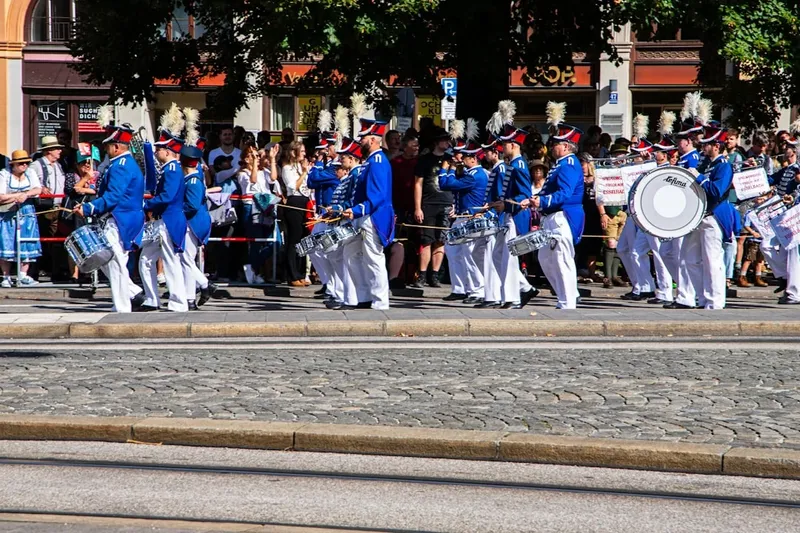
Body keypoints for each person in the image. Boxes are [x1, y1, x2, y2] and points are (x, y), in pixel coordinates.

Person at [74, 124, 145, 313]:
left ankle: (122, 307)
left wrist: (88, 208)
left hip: (120, 218)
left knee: (114, 261)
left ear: (116, 147)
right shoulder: (123, 164)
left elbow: (114, 196)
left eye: (108, 146)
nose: (106, 149)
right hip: (123, 217)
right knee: (107, 259)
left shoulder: (120, 166)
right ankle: (132, 292)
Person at [667, 123, 735, 310]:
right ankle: (703, 298)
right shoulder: (707, 164)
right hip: (698, 216)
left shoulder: (723, 166)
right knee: (690, 259)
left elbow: (716, 190)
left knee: (712, 261)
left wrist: (698, 177)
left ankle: (715, 302)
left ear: (716, 146)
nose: (703, 147)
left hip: (713, 216)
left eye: (707, 144)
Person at [522, 121, 583, 310]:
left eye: (556, 143)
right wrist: (535, 199)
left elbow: (565, 192)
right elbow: (551, 190)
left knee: (561, 259)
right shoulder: (561, 164)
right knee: (545, 259)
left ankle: (568, 302)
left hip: (562, 216)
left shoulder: (569, 164)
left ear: (565, 146)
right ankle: (565, 296)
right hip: (551, 216)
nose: (552, 146)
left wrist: (543, 202)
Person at [342, 119, 394, 310]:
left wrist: (356, 211)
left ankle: (380, 301)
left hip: (372, 216)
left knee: (373, 257)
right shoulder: (370, 161)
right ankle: (363, 296)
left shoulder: (378, 161)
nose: (360, 142)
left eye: (363, 138)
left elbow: (378, 195)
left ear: (372, 139)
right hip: (361, 216)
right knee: (351, 254)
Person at [138, 121, 188, 312]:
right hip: (163, 221)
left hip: (169, 220)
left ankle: (178, 302)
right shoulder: (169, 169)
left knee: (170, 260)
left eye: (159, 149)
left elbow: (167, 196)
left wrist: (145, 204)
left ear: (167, 151)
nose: (156, 152)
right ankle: (152, 299)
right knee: (146, 259)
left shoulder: (173, 169)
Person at [490, 125, 537, 309]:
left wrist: (506, 204)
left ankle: (513, 297)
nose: (502, 148)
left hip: (516, 215)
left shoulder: (519, 165)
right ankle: (524, 288)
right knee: (498, 255)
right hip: (508, 214)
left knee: (508, 257)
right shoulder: (513, 164)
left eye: (505, 144)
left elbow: (525, 195)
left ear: (514, 144)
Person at [438, 142, 488, 303]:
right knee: (453, 252)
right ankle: (460, 288)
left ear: (473, 159)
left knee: (469, 255)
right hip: (461, 218)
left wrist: (449, 168)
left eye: (465, 156)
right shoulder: (469, 173)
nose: (460, 159)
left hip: (470, 218)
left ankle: (477, 291)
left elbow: (445, 184)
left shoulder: (474, 175)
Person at [413, 128, 452, 288]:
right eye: (444, 140)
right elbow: (418, 184)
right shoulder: (424, 160)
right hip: (428, 204)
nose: (447, 143)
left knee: (440, 241)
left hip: (446, 203)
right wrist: (418, 207)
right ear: (436, 142)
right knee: (426, 240)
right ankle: (422, 274)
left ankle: (435, 275)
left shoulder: (451, 160)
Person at [30, 135, 69, 282]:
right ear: (49, 151)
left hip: (58, 207)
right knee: (42, 239)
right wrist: (40, 188)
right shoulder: (36, 165)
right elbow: (29, 183)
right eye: (57, 149)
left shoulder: (59, 165)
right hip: (44, 208)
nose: (60, 151)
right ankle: (35, 272)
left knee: (55, 241)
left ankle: (55, 271)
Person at [0, 150, 42, 287]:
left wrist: (26, 194)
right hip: (8, 212)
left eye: (26, 163)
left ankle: (23, 274)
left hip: (27, 211)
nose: (24, 165)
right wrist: (17, 196)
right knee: (6, 241)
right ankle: (6, 276)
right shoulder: (4, 174)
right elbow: (1, 196)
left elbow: (38, 189)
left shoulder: (30, 173)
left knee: (27, 240)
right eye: (21, 163)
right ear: (13, 164)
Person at [179, 144, 213, 309]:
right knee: (188, 260)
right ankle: (190, 299)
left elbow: (191, 206)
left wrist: (178, 212)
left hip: (193, 222)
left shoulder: (192, 181)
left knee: (186, 259)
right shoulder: (193, 178)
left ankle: (206, 284)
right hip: (195, 222)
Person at [306, 133, 340, 293]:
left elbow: (313, 177)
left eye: (329, 146)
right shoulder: (328, 167)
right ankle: (328, 283)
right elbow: (311, 181)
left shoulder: (335, 169)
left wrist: (318, 161)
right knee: (311, 247)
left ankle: (334, 286)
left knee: (328, 250)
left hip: (332, 215)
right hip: (322, 215)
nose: (325, 150)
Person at [64, 143, 102, 282]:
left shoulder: (99, 175)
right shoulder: (71, 175)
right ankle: (74, 274)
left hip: (93, 211)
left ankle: (91, 273)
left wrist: (84, 189)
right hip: (75, 213)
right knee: (76, 242)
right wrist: (85, 178)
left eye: (89, 162)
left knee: (93, 242)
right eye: (83, 163)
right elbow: (71, 189)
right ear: (76, 164)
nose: (86, 165)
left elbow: (100, 191)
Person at [281, 141, 312, 287]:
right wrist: (304, 173)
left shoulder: (301, 167)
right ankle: (292, 275)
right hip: (294, 203)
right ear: (294, 152)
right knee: (293, 240)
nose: (305, 154)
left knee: (303, 240)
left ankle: (301, 273)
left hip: (305, 202)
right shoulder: (287, 168)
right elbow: (293, 187)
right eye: (302, 151)